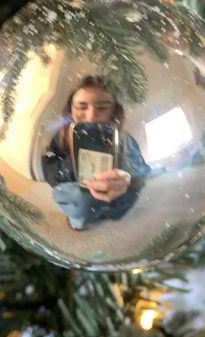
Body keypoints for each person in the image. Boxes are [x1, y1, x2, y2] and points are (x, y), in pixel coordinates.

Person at [43, 75, 150, 230]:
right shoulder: (59, 137)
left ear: (113, 111)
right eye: (81, 106)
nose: (91, 117)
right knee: (73, 195)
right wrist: (75, 164)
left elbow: (144, 171)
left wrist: (127, 178)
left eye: (102, 107)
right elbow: (49, 171)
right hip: (81, 191)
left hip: (117, 194)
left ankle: (105, 211)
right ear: (70, 110)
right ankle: (89, 213)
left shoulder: (124, 139)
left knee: (131, 192)